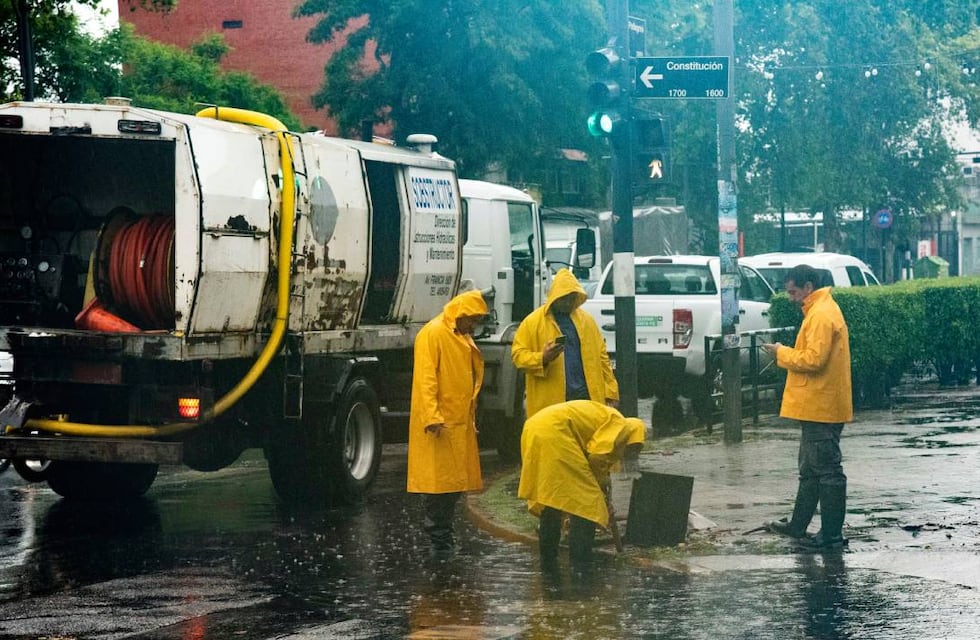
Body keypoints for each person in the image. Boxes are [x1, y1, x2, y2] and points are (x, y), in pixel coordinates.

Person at [761, 264, 852, 550]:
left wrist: (781, 353)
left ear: (808, 287)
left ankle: (831, 536)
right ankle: (799, 525)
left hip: (820, 404)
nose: (791, 298)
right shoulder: (819, 310)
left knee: (826, 470)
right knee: (811, 469)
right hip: (818, 403)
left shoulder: (821, 314)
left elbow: (814, 360)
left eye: (793, 291)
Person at [407, 289, 488, 556]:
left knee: (451, 485)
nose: (474, 325)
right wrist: (432, 416)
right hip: (441, 425)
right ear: (462, 314)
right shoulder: (433, 334)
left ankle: (443, 540)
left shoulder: (457, 334)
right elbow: (425, 378)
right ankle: (439, 542)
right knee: (439, 487)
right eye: (472, 319)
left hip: (456, 423)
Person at [518, 400, 646, 568]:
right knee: (587, 503)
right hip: (556, 433)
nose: (631, 451)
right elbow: (596, 457)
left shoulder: (606, 418)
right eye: (633, 446)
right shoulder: (621, 425)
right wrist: (601, 484)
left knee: (552, 498)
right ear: (634, 433)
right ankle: (580, 562)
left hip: (534, 428)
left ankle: (548, 560)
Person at [511, 268, 618, 419]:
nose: (568, 303)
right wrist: (542, 358)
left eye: (572, 298)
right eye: (564, 298)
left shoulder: (587, 321)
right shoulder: (532, 322)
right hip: (551, 405)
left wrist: (611, 392)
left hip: (586, 399)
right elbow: (518, 356)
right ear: (555, 297)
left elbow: (602, 359)